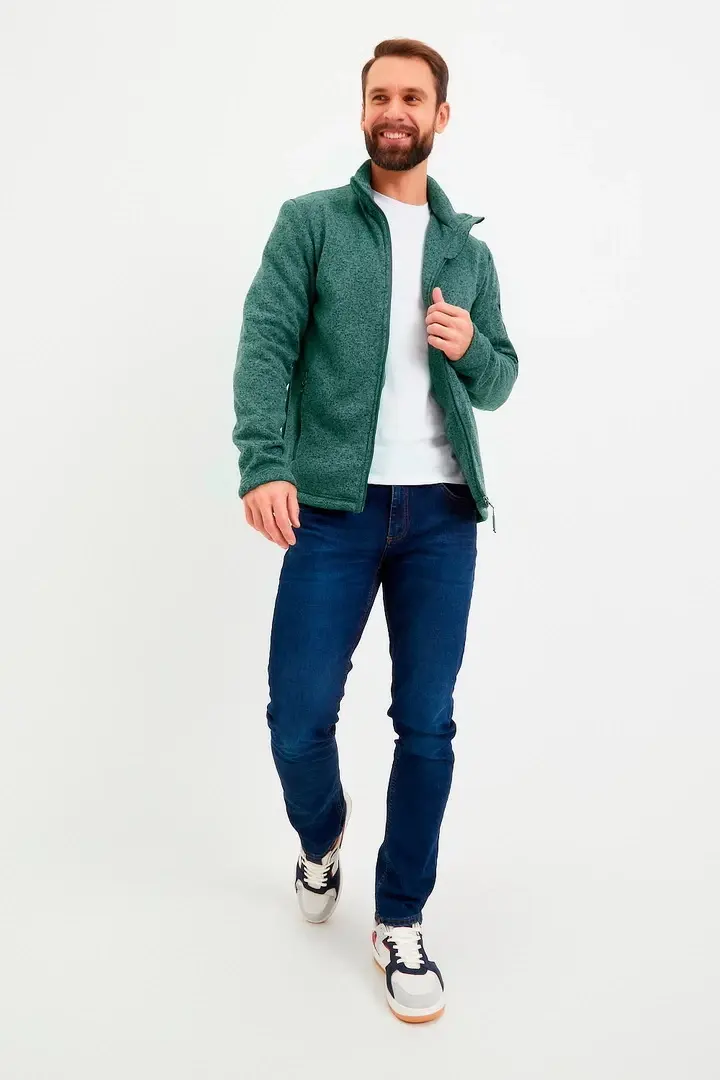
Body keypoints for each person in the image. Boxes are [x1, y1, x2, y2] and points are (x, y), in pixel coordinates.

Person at [232, 37, 519, 1024]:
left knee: (427, 723)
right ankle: (322, 839)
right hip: (333, 507)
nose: (395, 110)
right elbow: (266, 345)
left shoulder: (468, 252)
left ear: (441, 116)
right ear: (365, 111)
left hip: (441, 513)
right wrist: (264, 462)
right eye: (380, 95)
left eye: (413, 97)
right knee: (298, 715)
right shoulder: (311, 223)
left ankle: (401, 916)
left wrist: (470, 346)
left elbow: (501, 378)